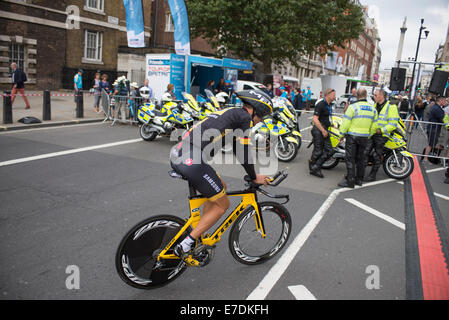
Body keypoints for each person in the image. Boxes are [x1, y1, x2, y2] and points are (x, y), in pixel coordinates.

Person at [170, 90, 274, 258]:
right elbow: (243, 151)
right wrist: (254, 177)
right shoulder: (244, 119)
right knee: (223, 204)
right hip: (191, 160)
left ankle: (199, 230)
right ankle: (185, 245)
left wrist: (251, 171)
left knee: (221, 187)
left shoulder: (233, 113)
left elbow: (237, 148)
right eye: (261, 117)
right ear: (256, 111)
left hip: (181, 153)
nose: (260, 121)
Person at [338, 88, 377, 188]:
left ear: (357, 96)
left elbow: (346, 122)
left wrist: (341, 134)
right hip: (364, 137)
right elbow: (375, 126)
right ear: (366, 95)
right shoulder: (373, 108)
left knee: (350, 158)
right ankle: (359, 180)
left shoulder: (353, 107)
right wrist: (369, 134)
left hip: (352, 137)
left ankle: (350, 181)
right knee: (361, 159)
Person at [364, 89, 404, 182]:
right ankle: (360, 174)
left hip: (382, 135)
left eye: (375, 95)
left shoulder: (391, 106)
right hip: (372, 134)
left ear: (381, 96)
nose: (374, 97)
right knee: (365, 152)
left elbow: (393, 123)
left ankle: (372, 175)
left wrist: (381, 130)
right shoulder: (375, 105)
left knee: (377, 155)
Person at [309, 88, 336, 178]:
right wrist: (323, 130)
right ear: (328, 95)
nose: (335, 96)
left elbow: (326, 118)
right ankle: (314, 167)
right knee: (318, 150)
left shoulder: (329, 105)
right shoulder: (321, 104)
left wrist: (332, 125)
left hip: (324, 129)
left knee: (330, 151)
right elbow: (315, 119)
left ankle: (315, 166)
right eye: (333, 95)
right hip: (318, 130)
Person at [423, 96, 448, 163]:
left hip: (434, 128)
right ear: (440, 101)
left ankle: (427, 157)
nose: (445, 102)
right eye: (444, 101)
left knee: (433, 144)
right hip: (433, 128)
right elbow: (442, 119)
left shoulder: (437, 107)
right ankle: (425, 158)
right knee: (431, 144)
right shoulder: (436, 108)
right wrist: (445, 115)